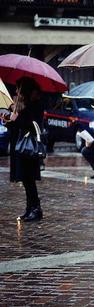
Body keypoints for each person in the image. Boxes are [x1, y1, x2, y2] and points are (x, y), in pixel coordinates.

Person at [0, 77, 44, 221]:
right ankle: (29, 208)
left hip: (28, 147)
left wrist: (17, 118)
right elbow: (15, 125)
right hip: (19, 146)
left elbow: (32, 125)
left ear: (25, 90)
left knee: (29, 179)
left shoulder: (35, 105)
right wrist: (8, 119)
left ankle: (36, 209)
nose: (16, 90)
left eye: (18, 88)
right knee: (25, 180)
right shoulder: (20, 105)